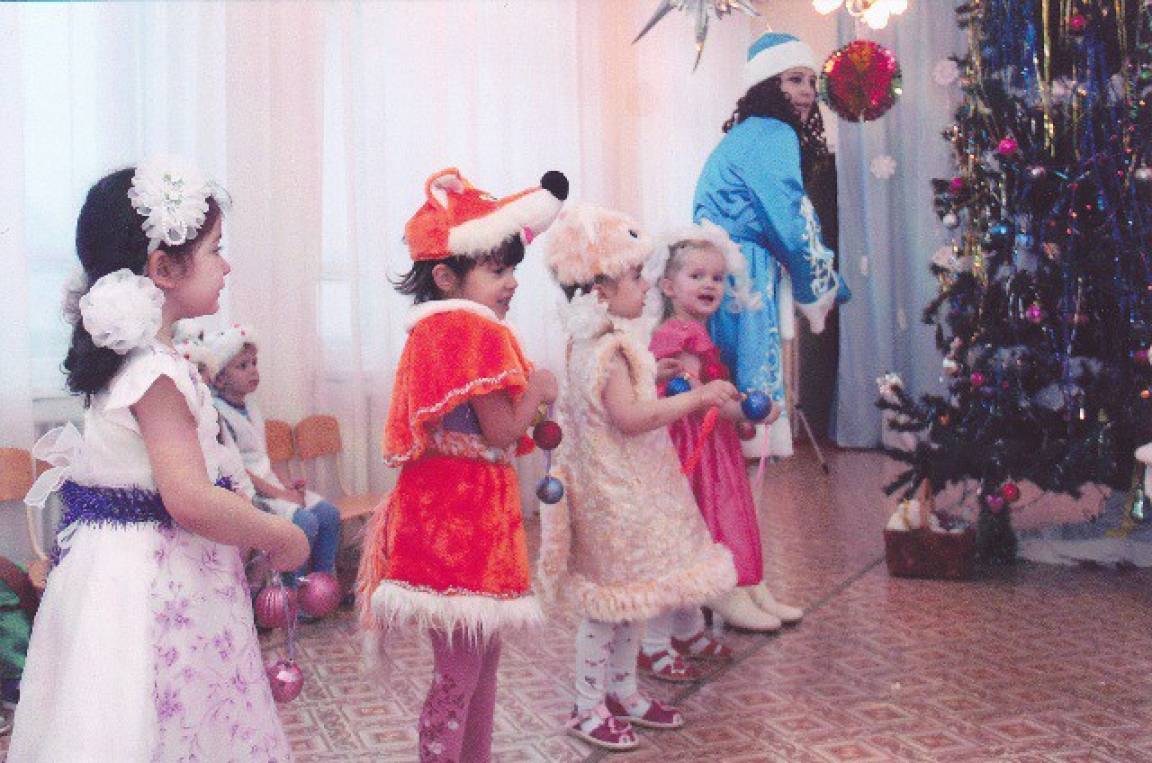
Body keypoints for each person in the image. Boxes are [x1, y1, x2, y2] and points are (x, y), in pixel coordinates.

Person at [9, 158, 308, 761]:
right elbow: (189, 498)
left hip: (120, 570)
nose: (227, 266)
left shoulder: (144, 361)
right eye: (216, 250)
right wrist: (278, 533)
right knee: (161, 715)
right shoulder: (156, 373)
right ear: (164, 269)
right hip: (159, 579)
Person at [357, 168, 567, 762]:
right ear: (447, 277)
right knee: (464, 672)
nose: (511, 283)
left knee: (473, 664)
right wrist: (538, 389)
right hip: (463, 523)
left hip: (451, 514)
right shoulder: (471, 332)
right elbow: (501, 430)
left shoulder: (440, 331)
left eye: (512, 270)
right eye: (497, 271)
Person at [537, 203, 739, 752]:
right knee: (609, 608)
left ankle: (623, 691)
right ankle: (587, 705)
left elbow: (614, 402)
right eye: (634, 276)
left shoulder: (592, 341)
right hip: (616, 496)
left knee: (632, 600)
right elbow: (630, 418)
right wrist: (698, 396)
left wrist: (657, 372)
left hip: (617, 491)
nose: (646, 285)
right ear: (599, 287)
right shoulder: (610, 347)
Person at [640, 222, 803, 678]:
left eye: (716, 277)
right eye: (697, 276)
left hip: (708, 441)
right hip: (692, 448)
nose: (710, 284)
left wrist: (738, 415)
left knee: (706, 528)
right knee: (696, 529)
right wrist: (750, 411)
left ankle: (697, 622)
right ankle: (677, 626)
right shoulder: (680, 336)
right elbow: (699, 397)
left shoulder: (697, 331)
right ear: (668, 286)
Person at [695, 31, 851, 457]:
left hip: (722, 262)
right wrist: (824, 285)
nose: (807, 91)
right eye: (794, 79)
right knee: (749, 382)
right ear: (768, 84)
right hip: (743, 267)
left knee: (724, 372)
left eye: (811, 81)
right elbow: (790, 219)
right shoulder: (772, 133)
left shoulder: (749, 132)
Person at [208, 324, 342, 592]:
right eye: (242, 366)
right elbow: (240, 471)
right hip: (251, 495)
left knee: (328, 514)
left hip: (272, 488)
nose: (253, 370)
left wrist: (287, 485)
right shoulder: (218, 414)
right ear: (220, 378)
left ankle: (320, 589)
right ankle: (291, 595)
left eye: (254, 363)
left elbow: (264, 457)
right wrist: (281, 495)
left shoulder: (251, 407)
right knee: (304, 523)